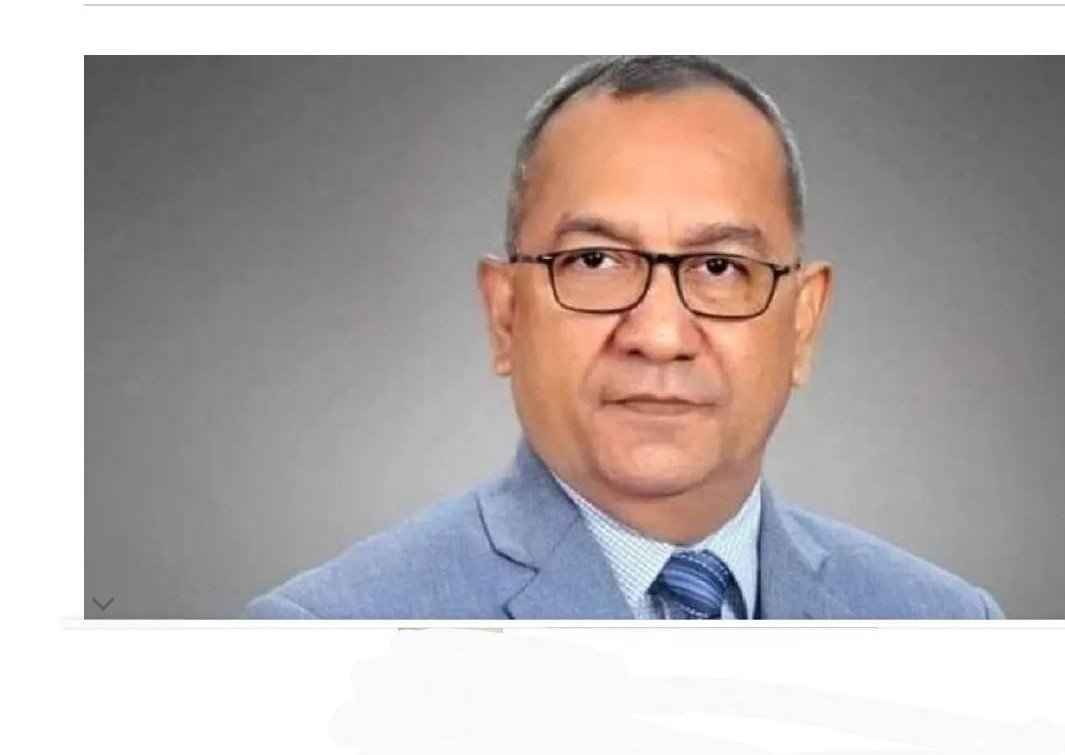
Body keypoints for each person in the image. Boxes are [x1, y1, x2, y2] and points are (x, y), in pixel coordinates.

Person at [245, 56, 1005, 620]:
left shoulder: (948, 631)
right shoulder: (325, 640)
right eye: (595, 261)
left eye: (719, 266)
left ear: (803, 322)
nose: (660, 334)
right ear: (505, 315)